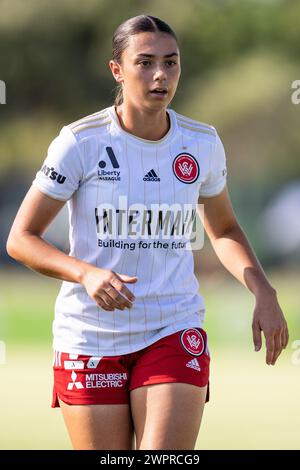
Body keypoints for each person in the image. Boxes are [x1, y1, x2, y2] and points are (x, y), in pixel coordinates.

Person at [6, 15, 289, 451]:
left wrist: (263, 291)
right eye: (146, 62)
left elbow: (226, 228)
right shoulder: (80, 143)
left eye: (171, 62)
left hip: (172, 327)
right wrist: (85, 273)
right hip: (90, 334)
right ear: (117, 70)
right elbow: (21, 239)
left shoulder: (201, 144)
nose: (161, 74)